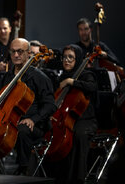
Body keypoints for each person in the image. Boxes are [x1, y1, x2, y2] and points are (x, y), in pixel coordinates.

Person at [0, 38, 56, 175]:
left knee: (22, 130)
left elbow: (50, 105)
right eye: (13, 52)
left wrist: (33, 119)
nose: (16, 55)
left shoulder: (39, 78)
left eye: (20, 51)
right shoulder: (6, 78)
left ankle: (24, 170)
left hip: (35, 126)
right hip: (10, 122)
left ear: (29, 54)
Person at [46, 44, 98, 184]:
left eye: (71, 57)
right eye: (64, 57)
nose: (66, 60)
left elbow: (92, 87)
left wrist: (72, 82)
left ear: (78, 60)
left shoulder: (87, 75)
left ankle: (78, 178)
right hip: (65, 118)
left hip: (85, 119)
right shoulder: (62, 76)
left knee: (79, 135)